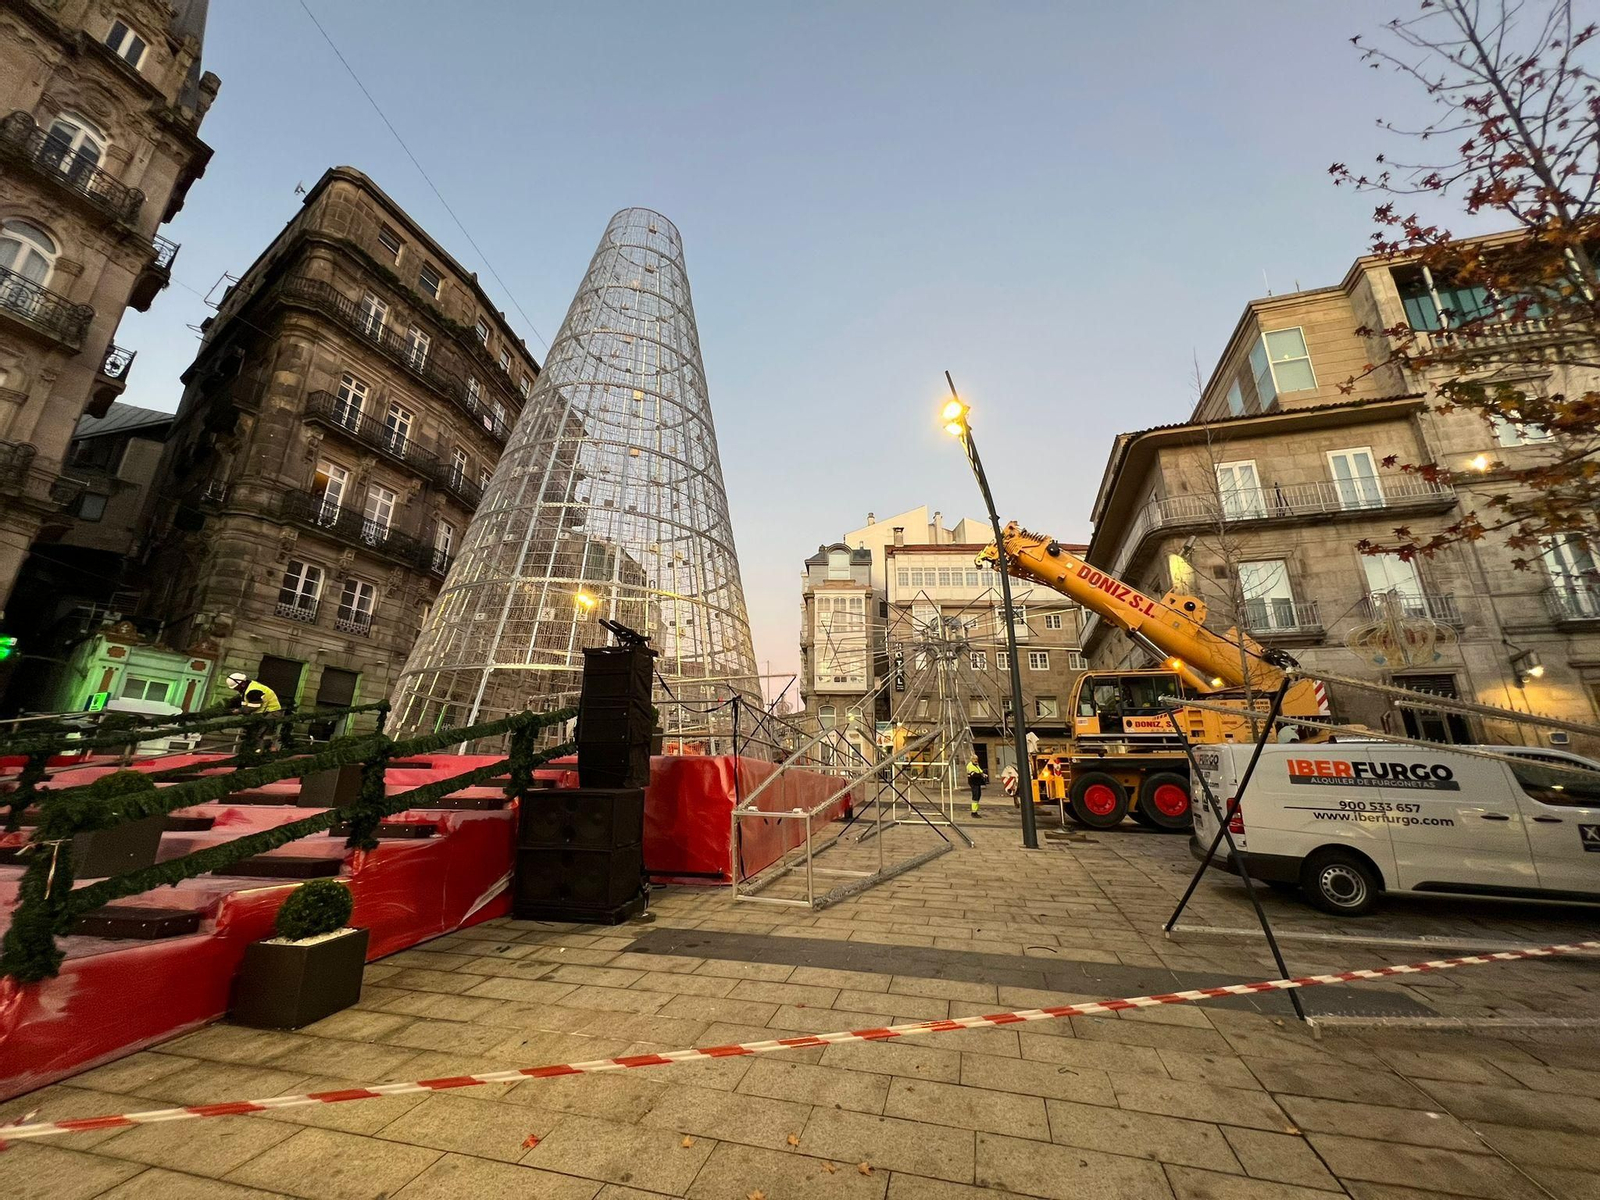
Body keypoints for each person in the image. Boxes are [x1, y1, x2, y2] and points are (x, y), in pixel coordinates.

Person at [965, 753, 986, 818]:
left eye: (976, 759)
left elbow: (979, 771)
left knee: (978, 795)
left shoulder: (976, 765)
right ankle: (974, 812)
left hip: (977, 783)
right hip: (974, 783)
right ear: (971, 759)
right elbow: (974, 774)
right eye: (974, 759)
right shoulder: (970, 765)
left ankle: (975, 811)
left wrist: (983, 774)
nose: (976, 760)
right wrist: (981, 775)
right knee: (975, 796)